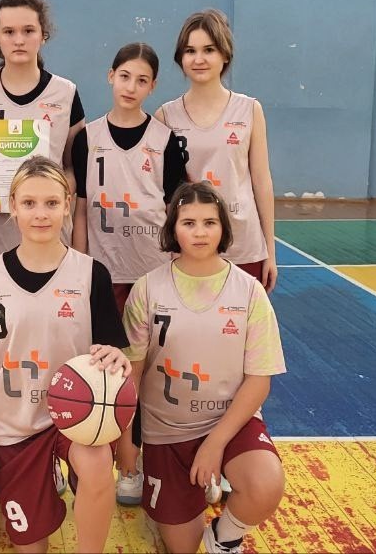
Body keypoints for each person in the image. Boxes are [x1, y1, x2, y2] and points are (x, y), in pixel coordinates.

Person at [0, 156, 132, 554]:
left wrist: (116, 360)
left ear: (67, 205)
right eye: (29, 203)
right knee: (31, 547)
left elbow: (113, 355)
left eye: (52, 203)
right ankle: (43, 477)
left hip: (74, 418)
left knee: (95, 465)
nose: (41, 214)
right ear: (12, 206)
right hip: (13, 423)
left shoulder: (91, 274)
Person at [117, 181, 286, 554]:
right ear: (173, 228)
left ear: (223, 227)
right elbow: (132, 373)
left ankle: (225, 538)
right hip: (166, 430)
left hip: (228, 422)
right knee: (182, 547)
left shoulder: (249, 291)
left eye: (209, 222)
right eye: (188, 222)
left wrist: (215, 443)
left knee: (265, 485)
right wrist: (127, 439)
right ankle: (192, 485)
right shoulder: (146, 289)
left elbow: (259, 381)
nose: (199, 232)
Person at [69, 41, 184, 506]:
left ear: (153, 86)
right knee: (106, 376)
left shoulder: (165, 140)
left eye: (142, 80)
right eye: (124, 76)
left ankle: (142, 465)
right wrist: (80, 263)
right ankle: (109, 464)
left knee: (148, 376)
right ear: (110, 76)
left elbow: (176, 211)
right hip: (103, 274)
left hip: (152, 274)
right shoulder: (87, 137)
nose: (131, 87)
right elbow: (80, 207)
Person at [156, 9, 279, 292]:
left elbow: (262, 182)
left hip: (243, 245)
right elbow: (163, 194)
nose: (198, 59)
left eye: (209, 50)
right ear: (180, 58)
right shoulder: (165, 116)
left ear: (225, 55)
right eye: (190, 51)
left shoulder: (249, 110)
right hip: (190, 248)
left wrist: (270, 251)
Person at [0, 0, 85, 258]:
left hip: (49, 239)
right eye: (9, 31)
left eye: (28, 31)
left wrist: (56, 192)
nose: (18, 40)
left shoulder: (66, 93)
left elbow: (75, 167)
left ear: (43, 35)